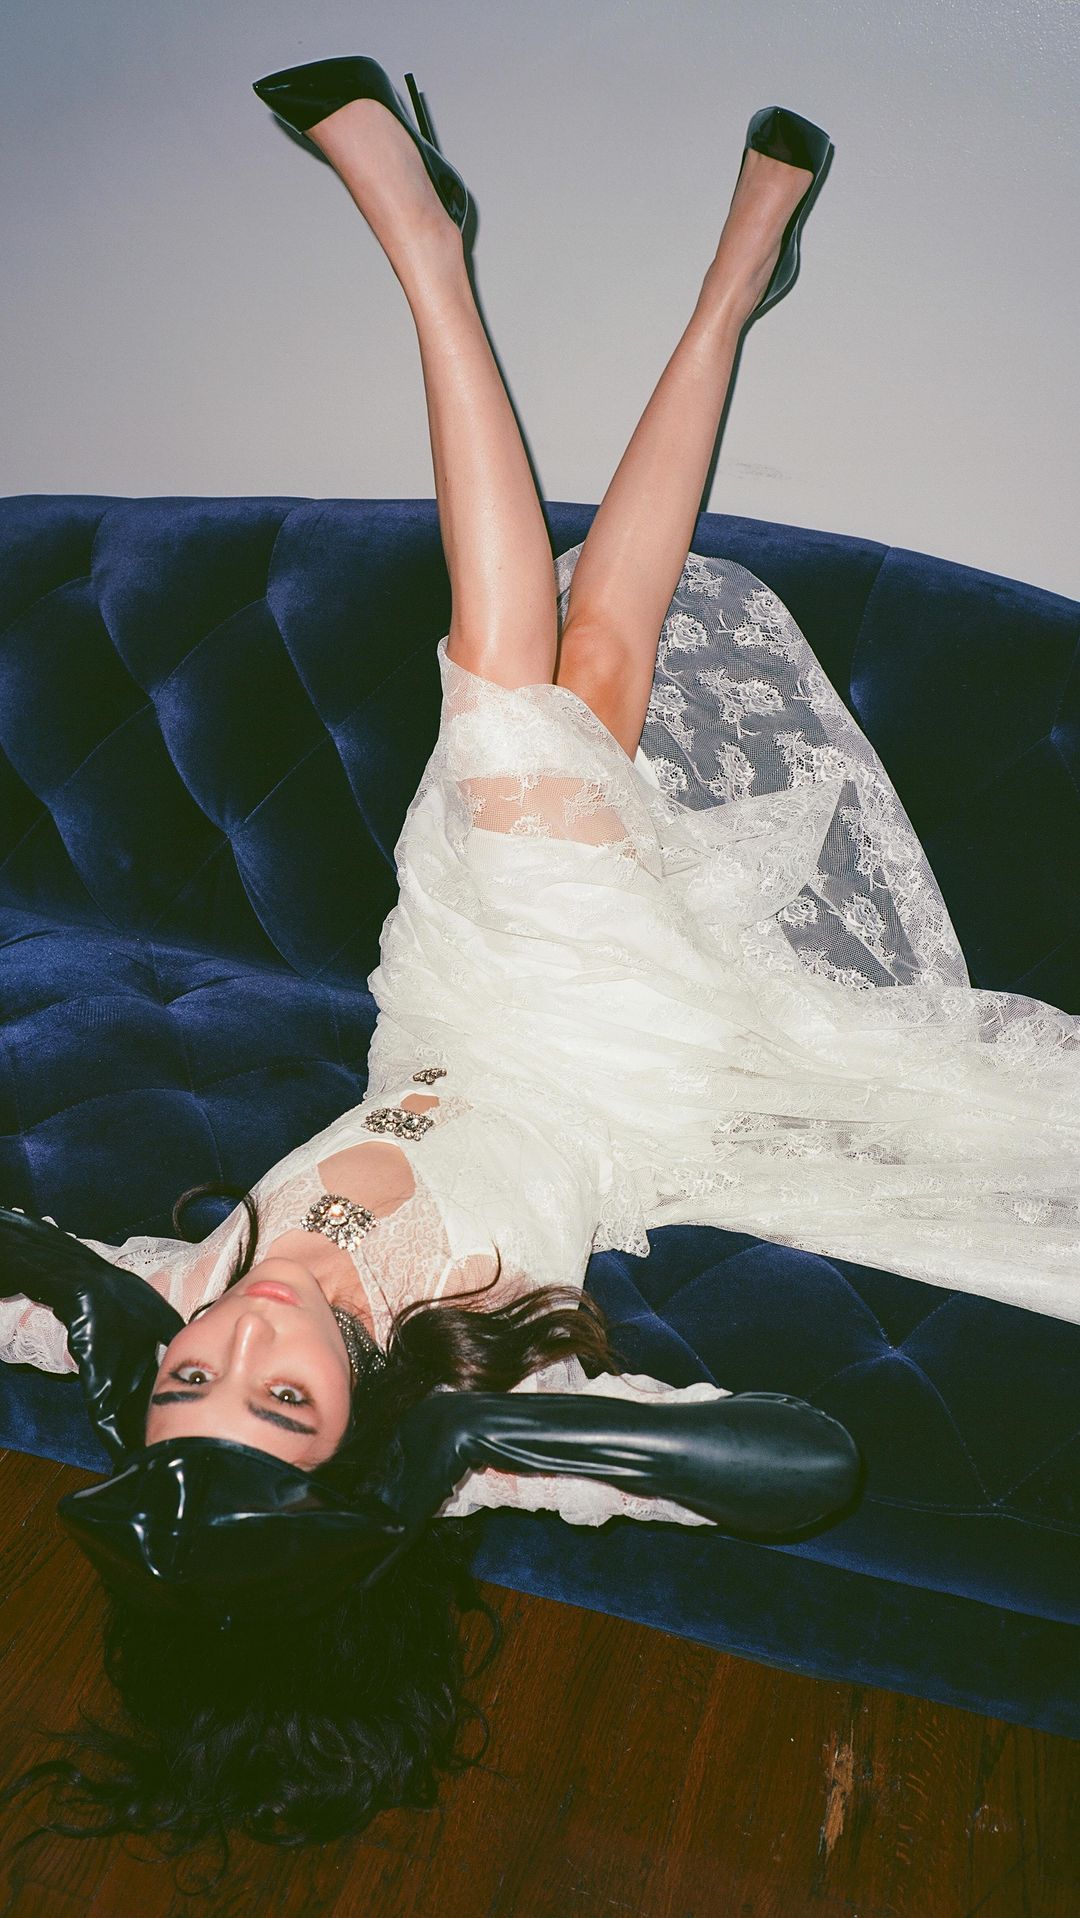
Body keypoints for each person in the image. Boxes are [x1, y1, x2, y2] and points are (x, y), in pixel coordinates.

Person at [1, 51, 1076, 1865]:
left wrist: (107, 1325)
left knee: (592, 660)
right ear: (360, 1443)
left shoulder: (154, 1302)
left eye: (194, 1385)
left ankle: (732, 276)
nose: (240, 1336)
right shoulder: (477, 1414)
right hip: (616, 1060)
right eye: (286, 1398)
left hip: (443, 983)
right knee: (523, 691)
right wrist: (453, 1459)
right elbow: (793, 1465)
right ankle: (429, 246)